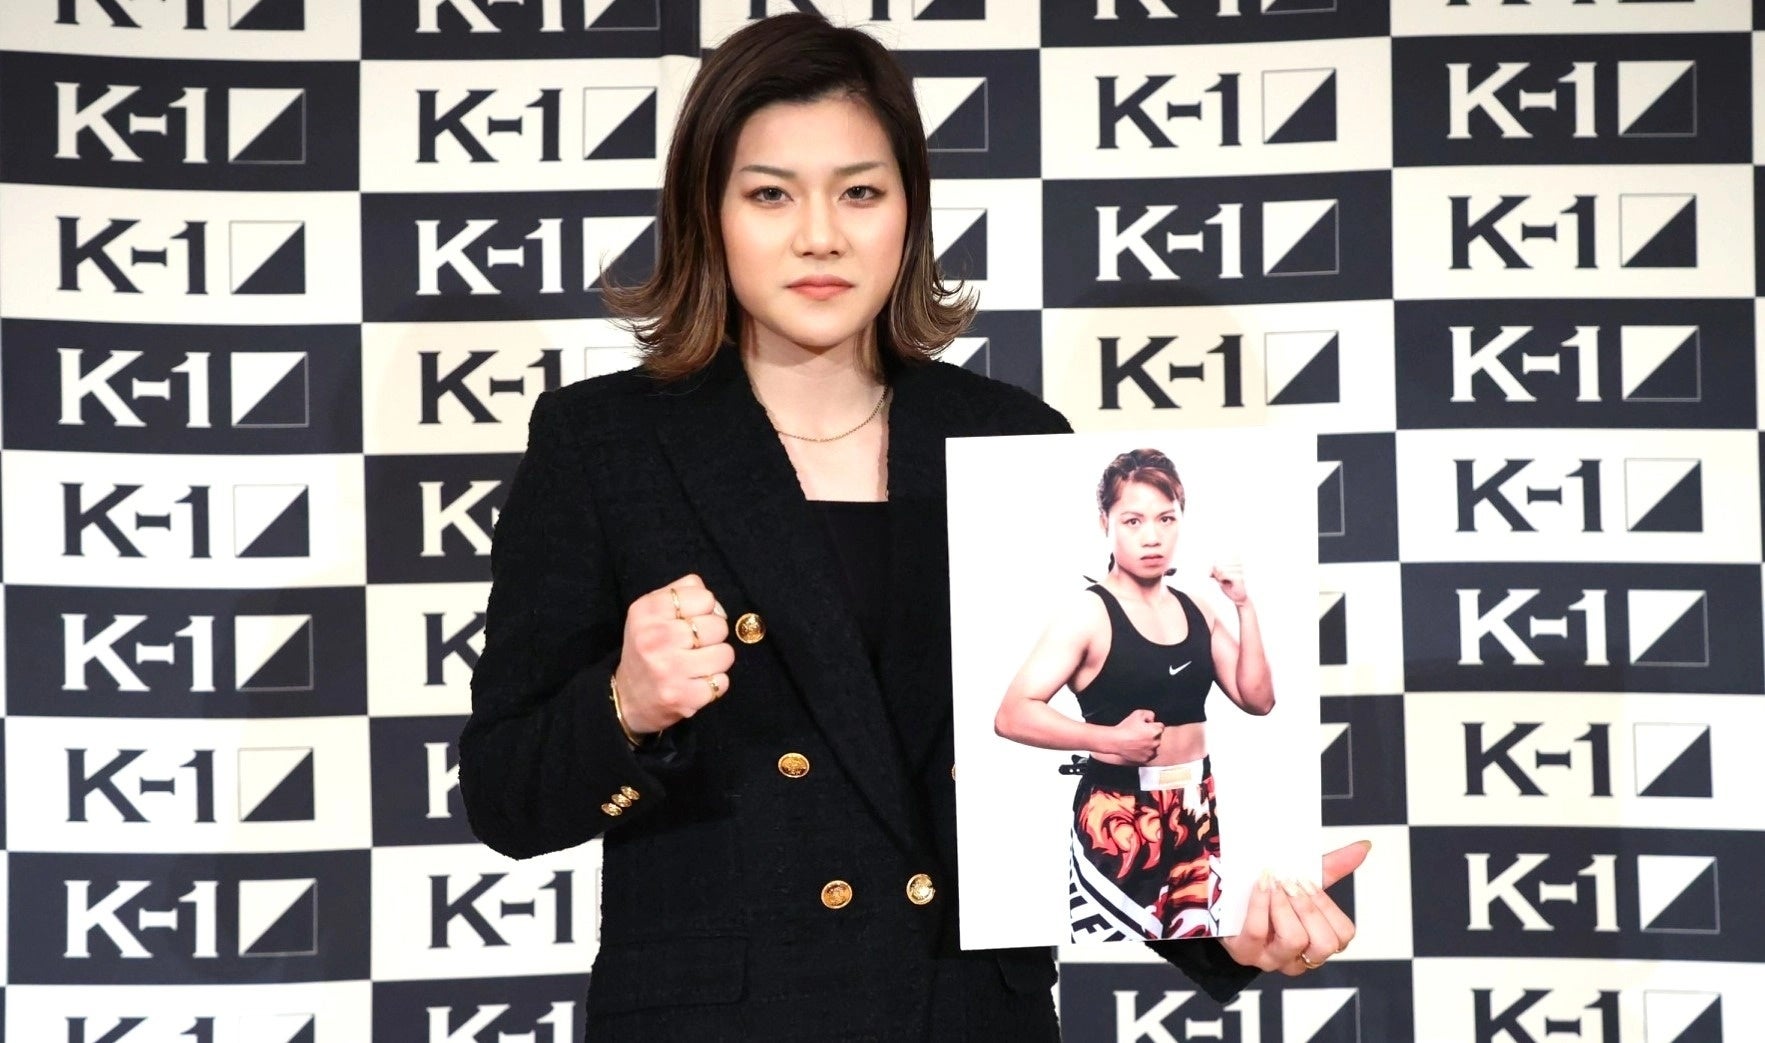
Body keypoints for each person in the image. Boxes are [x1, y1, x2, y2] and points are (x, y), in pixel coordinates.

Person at [459, 12, 1365, 1041]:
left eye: (860, 192)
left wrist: (1225, 926)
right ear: (706, 212)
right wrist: (626, 704)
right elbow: (504, 798)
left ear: (909, 212)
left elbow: (1049, 784)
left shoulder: (1013, 439)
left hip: (964, 1012)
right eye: (769, 194)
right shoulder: (604, 442)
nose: (819, 235)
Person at [993, 449, 1280, 942]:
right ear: (1105, 523)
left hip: (1195, 804)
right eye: (1133, 521)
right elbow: (1012, 714)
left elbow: (1258, 700)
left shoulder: (1198, 609)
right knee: (1117, 951)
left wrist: (1243, 605)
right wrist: (1108, 740)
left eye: (1166, 519)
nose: (1152, 536)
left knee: (1193, 950)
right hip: (1120, 812)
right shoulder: (1088, 613)